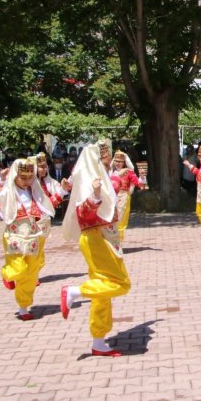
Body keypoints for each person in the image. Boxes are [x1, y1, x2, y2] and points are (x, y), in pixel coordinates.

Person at [60, 140, 132, 357]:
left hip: (106, 237)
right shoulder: (89, 181)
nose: (109, 161)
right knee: (121, 283)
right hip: (96, 238)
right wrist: (96, 195)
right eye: (105, 158)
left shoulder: (102, 178)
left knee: (102, 291)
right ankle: (74, 291)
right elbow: (82, 213)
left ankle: (98, 341)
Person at [0, 157, 56, 321]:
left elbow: (50, 205)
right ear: (15, 175)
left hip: (34, 236)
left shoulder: (35, 191)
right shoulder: (7, 192)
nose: (27, 181)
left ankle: (23, 307)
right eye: (23, 177)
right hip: (15, 235)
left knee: (31, 273)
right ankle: (8, 274)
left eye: (30, 177)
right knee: (18, 269)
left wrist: (63, 190)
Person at [111, 150, 147, 242]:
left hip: (123, 198)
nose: (118, 163)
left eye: (121, 161)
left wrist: (142, 176)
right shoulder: (110, 172)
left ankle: (118, 242)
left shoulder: (129, 172)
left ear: (124, 162)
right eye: (116, 161)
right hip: (111, 198)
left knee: (119, 220)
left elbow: (140, 184)